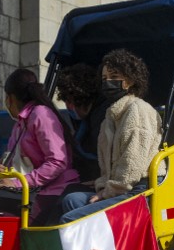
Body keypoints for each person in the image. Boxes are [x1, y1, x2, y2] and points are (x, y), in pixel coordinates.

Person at [58, 49, 163, 224]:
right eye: (105, 78)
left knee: (70, 220)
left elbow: (132, 165)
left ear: (129, 81)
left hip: (139, 189)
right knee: (71, 200)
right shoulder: (112, 114)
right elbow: (108, 164)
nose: (108, 82)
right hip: (121, 187)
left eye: (114, 76)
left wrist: (107, 193)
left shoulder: (137, 109)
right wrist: (102, 184)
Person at [0, 68, 80, 225]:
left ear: (10, 98)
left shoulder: (41, 114)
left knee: (8, 226)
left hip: (53, 191)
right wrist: (0, 173)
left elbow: (58, 162)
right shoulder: (20, 124)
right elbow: (12, 163)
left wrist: (18, 182)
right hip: (30, 192)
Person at [55, 63, 106, 185]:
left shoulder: (102, 115)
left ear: (79, 97)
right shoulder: (89, 116)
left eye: (68, 100)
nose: (68, 106)